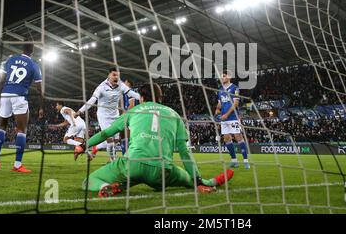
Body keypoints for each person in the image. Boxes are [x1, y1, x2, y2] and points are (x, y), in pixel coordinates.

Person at [80, 83, 234, 197]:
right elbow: (184, 152)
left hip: (133, 165)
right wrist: (197, 180)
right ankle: (208, 182)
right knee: (188, 180)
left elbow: (106, 133)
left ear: (141, 98)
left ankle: (106, 186)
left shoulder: (133, 110)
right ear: (160, 99)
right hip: (162, 171)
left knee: (89, 180)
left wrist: (83, 145)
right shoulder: (174, 114)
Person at [0, 42, 43, 173]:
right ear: (32, 51)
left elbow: (2, 79)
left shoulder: (11, 59)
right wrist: (41, 106)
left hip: (5, 93)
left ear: (22, 48)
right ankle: (17, 165)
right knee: (21, 130)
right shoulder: (34, 65)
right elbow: (39, 89)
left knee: (1, 127)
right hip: (19, 95)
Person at [74, 68, 140, 162]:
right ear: (109, 75)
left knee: (116, 141)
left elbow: (131, 93)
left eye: (117, 75)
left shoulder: (121, 85)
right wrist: (80, 111)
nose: (116, 77)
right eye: (114, 75)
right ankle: (112, 162)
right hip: (103, 116)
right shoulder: (101, 87)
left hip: (115, 115)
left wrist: (143, 98)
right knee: (110, 140)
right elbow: (92, 100)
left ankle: (96, 147)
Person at [215, 71, 249, 169]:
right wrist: (217, 109)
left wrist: (226, 114)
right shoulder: (220, 90)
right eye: (221, 77)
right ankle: (234, 161)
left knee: (238, 137)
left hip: (233, 117)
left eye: (224, 76)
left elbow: (235, 104)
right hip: (223, 118)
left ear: (229, 77)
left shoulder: (234, 88)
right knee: (226, 139)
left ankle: (246, 161)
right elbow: (220, 104)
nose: (222, 78)